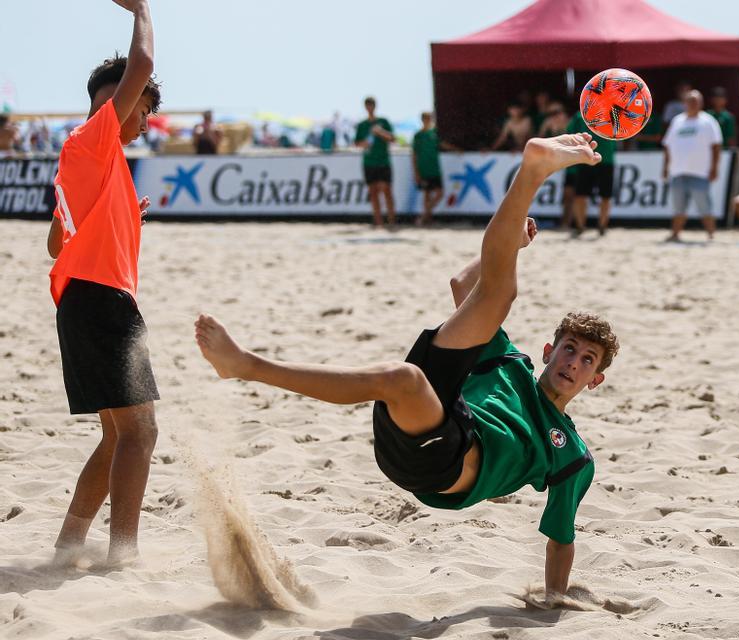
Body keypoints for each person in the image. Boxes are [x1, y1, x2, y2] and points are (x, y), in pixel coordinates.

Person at [193, 132, 617, 601]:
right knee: (494, 297)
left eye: (586, 360)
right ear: (547, 351)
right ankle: (532, 169)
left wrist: (555, 594)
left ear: (594, 380)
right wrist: (512, 244)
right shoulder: (510, 363)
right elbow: (463, 284)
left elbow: (561, 535)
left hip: (445, 463)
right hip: (435, 414)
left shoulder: (573, 453)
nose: (573, 362)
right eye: (569, 349)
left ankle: (249, 365)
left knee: (404, 377)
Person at [44, 0, 162, 568]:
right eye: (144, 112)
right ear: (117, 101)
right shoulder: (94, 136)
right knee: (141, 433)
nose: (145, 125)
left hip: (80, 301)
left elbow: (55, 243)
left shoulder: (84, 157)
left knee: (117, 435)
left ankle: (69, 545)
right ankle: (124, 555)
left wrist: (117, 215)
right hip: (102, 301)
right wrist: (141, 9)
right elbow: (139, 64)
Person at [662, 90, 722, 242]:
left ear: (701, 103)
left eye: (696, 101)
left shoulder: (708, 121)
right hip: (678, 171)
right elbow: (668, 146)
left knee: (705, 207)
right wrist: (666, 167)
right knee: (678, 207)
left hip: (700, 172)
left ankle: (711, 234)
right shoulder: (677, 121)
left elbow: (716, 146)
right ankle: (675, 234)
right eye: (690, 101)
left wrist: (714, 168)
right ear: (684, 104)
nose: (693, 104)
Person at [567, 110, 616, 236]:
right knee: (581, 194)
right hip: (586, 158)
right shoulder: (580, 115)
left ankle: (602, 227)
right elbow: (571, 134)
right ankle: (580, 226)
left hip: (605, 159)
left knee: (605, 195)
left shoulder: (614, 112)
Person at [355, 96, 396, 229]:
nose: (370, 107)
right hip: (369, 162)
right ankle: (378, 222)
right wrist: (365, 143)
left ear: (375, 106)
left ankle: (391, 221)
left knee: (387, 190)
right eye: (368, 105)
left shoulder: (383, 122)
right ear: (365, 107)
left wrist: (380, 132)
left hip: (383, 160)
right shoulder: (362, 125)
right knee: (373, 192)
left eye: (371, 105)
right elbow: (357, 143)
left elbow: (392, 138)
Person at [412, 112, 444, 226]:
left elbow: (443, 144)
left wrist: (457, 150)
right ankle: (426, 218)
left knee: (439, 193)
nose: (428, 120)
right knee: (427, 194)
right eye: (426, 118)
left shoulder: (434, 133)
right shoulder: (418, 135)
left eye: (429, 118)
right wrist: (416, 172)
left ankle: (425, 215)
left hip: (434, 168)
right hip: (424, 168)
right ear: (422, 120)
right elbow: (414, 155)